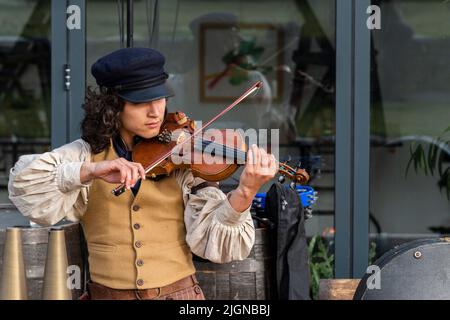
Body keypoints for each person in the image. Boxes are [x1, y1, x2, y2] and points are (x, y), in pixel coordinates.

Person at [8, 47, 277, 300]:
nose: (155, 111)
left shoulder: (183, 155)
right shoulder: (84, 155)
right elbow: (24, 184)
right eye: (141, 102)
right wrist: (90, 171)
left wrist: (245, 191)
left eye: (160, 98)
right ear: (112, 106)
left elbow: (214, 243)